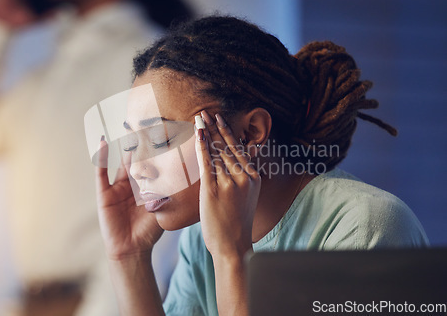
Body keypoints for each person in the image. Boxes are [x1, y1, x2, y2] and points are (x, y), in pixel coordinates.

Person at [93, 16, 429, 316]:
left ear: (251, 133)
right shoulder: (201, 241)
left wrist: (232, 257)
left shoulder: (367, 227)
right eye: (133, 144)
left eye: (162, 140)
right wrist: (129, 258)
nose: (138, 169)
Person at [0, 0, 192, 315]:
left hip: (95, 302)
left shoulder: (138, 57)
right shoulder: (46, 76)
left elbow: (158, 200)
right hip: (32, 301)